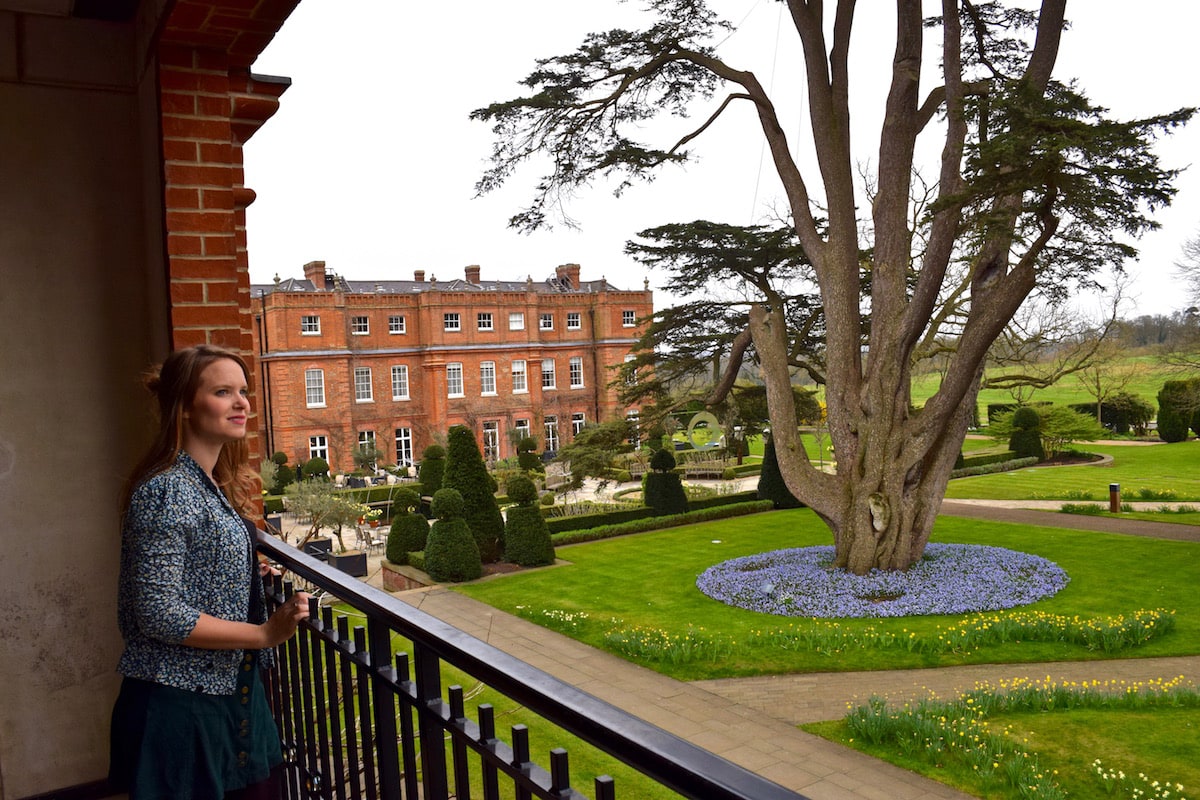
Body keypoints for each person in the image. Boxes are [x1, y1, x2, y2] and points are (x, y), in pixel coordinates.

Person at [109, 344, 310, 799]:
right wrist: (264, 634)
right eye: (223, 392)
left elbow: (187, 568)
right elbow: (158, 612)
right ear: (183, 408)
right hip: (178, 704)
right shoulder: (167, 489)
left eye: (243, 391)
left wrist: (242, 569)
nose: (242, 403)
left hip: (221, 694)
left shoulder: (204, 483)